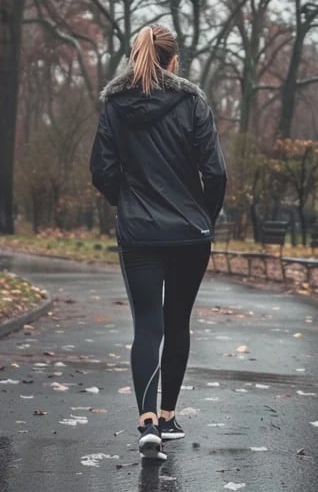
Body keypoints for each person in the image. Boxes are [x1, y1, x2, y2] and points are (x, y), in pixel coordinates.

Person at [90, 24, 227, 461]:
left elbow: (101, 168)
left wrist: (125, 200)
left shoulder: (115, 105)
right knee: (178, 321)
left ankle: (146, 421)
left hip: (139, 233)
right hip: (190, 233)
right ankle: (168, 416)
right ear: (174, 60)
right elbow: (217, 172)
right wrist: (204, 214)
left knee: (147, 325)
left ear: (135, 58)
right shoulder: (192, 102)